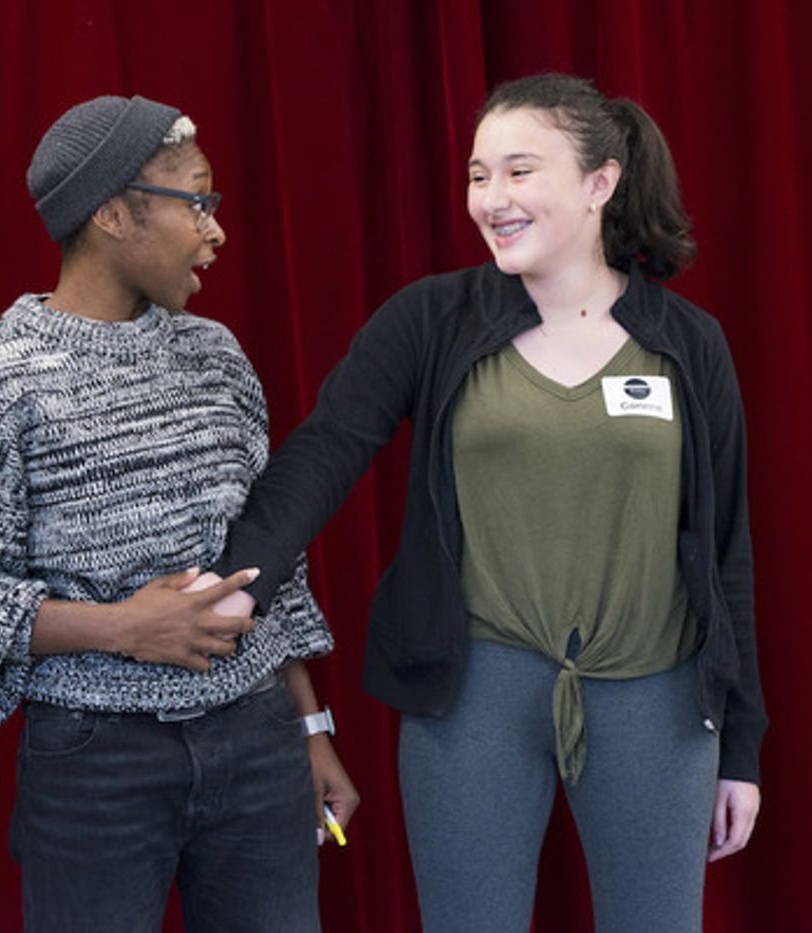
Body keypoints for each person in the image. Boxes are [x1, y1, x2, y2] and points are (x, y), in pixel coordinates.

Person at [212, 74, 767, 932]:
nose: (491, 199)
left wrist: (742, 748)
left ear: (599, 183)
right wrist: (239, 578)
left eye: (518, 172)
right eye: (478, 175)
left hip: (657, 698)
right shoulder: (432, 320)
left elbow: (727, 551)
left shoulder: (690, 344)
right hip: (473, 692)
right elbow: (326, 450)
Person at [0, 93, 358, 933]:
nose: (217, 229)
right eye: (198, 200)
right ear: (112, 212)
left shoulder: (217, 357)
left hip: (257, 747)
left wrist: (308, 724)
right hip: (94, 765)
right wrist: (120, 628)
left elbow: (267, 559)